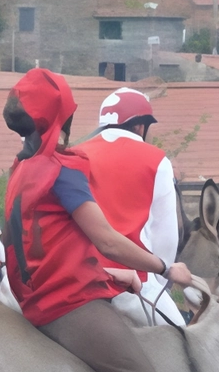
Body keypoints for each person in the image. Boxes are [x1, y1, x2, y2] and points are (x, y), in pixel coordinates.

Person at [0, 68, 192, 372]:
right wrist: (165, 268)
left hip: (50, 290)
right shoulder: (64, 170)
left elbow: (59, 246)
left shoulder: (21, 168)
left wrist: (114, 277)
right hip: (66, 302)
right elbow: (106, 238)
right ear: (63, 115)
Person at [77, 88, 183, 326]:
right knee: (185, 344)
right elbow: (164, 237)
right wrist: (161, 279)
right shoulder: (157, 160)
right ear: (139, 126)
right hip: (136, 283)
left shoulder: (75, 154)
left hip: (79, 280)